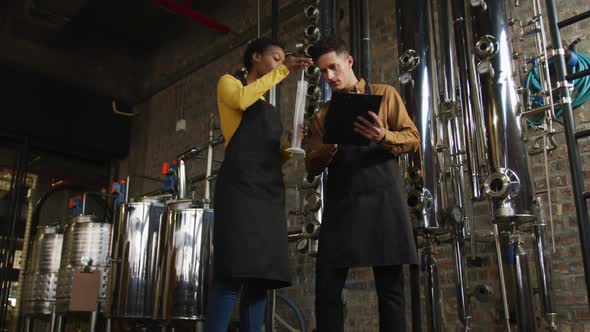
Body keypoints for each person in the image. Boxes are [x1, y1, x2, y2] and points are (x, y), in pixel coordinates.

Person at [305, 36, 420, 331]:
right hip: (342, 204)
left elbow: (413, 139)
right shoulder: (322, 116)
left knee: (390, 292)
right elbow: (311, 165)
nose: (329, 76)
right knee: (327, 290)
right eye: (323, 71)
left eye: (333, 67)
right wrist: (330, 146)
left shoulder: (385, 95)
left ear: (349, 62)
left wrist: (384, 136)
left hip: (383, 200)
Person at [206, 37, 311, 332]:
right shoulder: (230, 84)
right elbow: (242, 100)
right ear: (255, 57)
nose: (280, 63)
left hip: (268, 194)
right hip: (239, 190)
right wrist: (284, 70)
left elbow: (271, 159)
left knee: (260, 280)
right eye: (275, 58)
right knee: (231, 274)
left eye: (281, 60)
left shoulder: (268, 107)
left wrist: (290, 144)